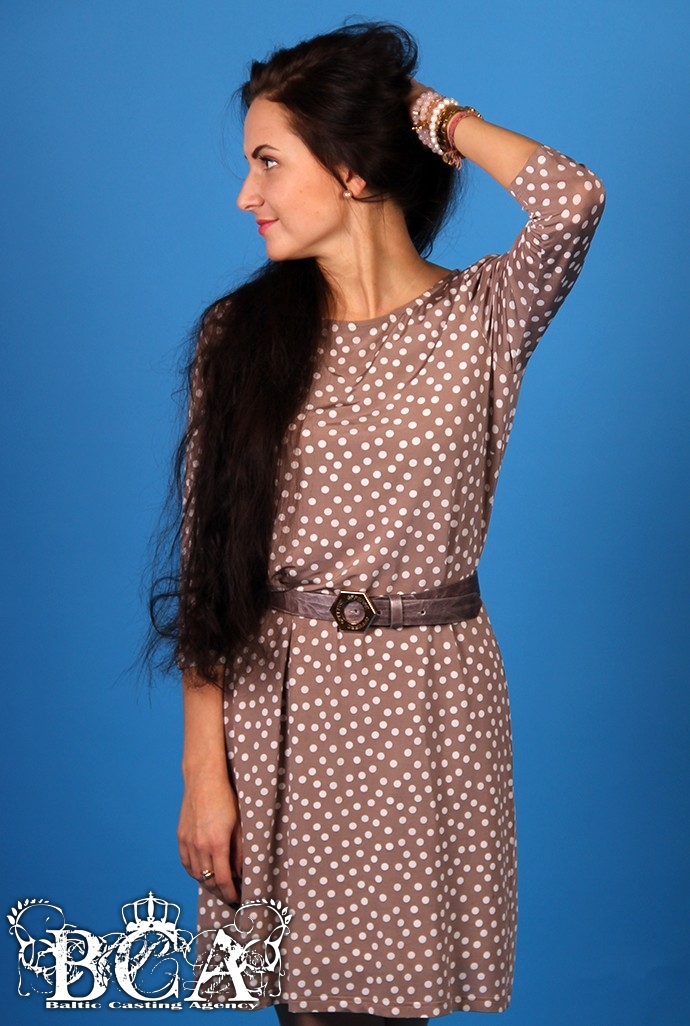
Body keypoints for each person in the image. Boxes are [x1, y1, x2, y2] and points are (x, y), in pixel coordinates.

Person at [152, 20, 605, 1023]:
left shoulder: (483, 315)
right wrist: (202, 774)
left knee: (393, 1004)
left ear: (351, 169)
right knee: (301, 1007)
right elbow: (208, 566)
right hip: (282, 703)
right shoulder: (239, 339)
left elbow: (573, 198)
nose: (247, 195)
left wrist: (424, 115)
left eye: (269, 161)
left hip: (427, 700)